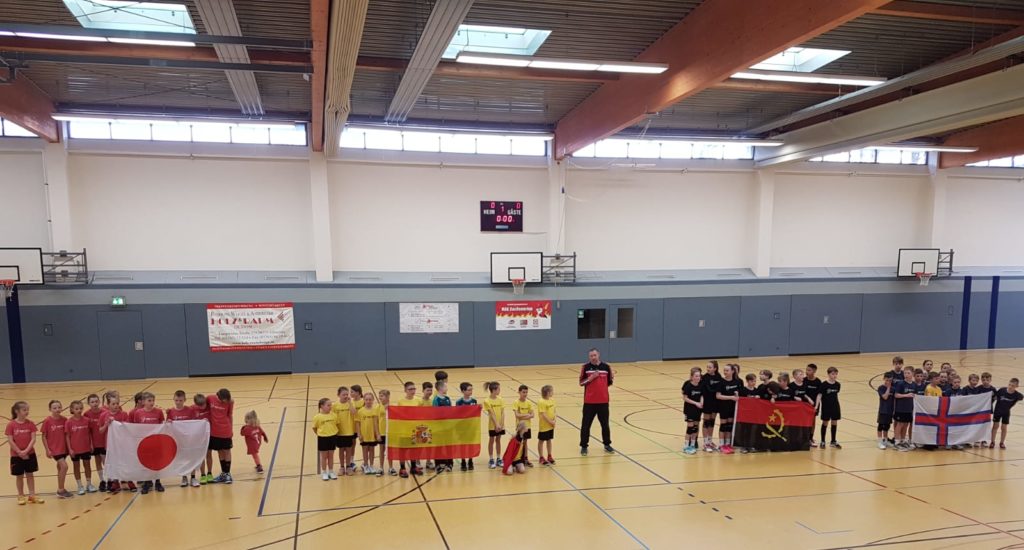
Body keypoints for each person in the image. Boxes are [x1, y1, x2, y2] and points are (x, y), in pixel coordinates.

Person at [6, 401, 43, 505]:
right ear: (17, 411)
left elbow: (33, 439)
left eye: (27, 410)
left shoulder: (30, 423)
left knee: (30, 474)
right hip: (16, 455)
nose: (27, 412)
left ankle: (32, 495)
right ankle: (21, 495)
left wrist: (26, 451)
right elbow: (10, 440)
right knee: (19, 476)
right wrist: (19, 452)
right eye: (24, 410)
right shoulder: (11, 425)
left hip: (30, 454)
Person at [131, 392, 166, 494]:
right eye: (149, 401)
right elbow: (136, 427)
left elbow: (162, 425)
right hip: (144, 443)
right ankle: (147, 482)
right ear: (143, 402)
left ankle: (158, 482)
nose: (152, 402)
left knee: (157, 462)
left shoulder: (159, 412)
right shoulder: (138, 413)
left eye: (153, 400)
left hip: (156, 442)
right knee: (146, 462)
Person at [99, 395, 132, 493]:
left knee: (124, 462)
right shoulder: (103, 415)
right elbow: (100, 431)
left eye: (117, 403)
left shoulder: (124, 414)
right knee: (114, 463)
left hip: (122, 444)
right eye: (113, 404)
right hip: (111, 444)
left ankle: (128, 480)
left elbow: (128, 428)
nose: (116, 405)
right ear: (108, 405)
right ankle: (115, 482)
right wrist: (107, 424)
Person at [42, 400, 73, 499]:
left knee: (60, 468)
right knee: (64, 466)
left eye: (59, 407)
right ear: (50, 409)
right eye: (54, 408)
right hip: (54, 449)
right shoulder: (47, 421)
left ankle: (60, 487)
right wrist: (47, 450)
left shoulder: (65, 420)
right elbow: (44, 436)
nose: (57, 409)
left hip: (64, 448)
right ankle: (60, 490)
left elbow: (68, 434)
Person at [167, 390, 198, 487]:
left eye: (180, 400)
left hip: (189, 439)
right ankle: (184, 477)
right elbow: (168, 425)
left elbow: (195, 423)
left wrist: (202, 422)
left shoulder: (190, 410)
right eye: (176, 400)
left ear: (185, 400)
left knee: (191, 458)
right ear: (173, 399)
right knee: (182, 459)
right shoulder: (171, 411)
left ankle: (193, 477)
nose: (178, 402)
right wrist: (168, 422)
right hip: (178, 440)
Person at [65, 400, 95, 495]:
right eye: (76, 409)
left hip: (86, 448)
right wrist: (70, 449)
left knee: (87, 465)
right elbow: (67, 436)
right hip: (75, 449)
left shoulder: (86, 420)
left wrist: (91, 444)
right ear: (72, 410)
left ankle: (89, 484)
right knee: (76, 466)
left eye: (81, 408)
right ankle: (79, 485)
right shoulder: (69, 422)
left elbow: (90, 433)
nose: (79, 410)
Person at [207, 388, 235, 484]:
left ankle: (228, 474)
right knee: (220, 451)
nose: (225, 402)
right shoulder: (210, 398)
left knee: (227, 451)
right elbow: (200, 406)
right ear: (218, 397)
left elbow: (230, 415)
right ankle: (223, 473)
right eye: (223, 401)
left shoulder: (230, 402)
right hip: (214, 431)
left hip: (225, 430)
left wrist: (231, 429)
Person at [396, 381, 423, 478]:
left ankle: (413, 467)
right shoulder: (401, 401)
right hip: (404, 429)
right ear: (405, 390)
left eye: (414, 389)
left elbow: (421, 414)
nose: (412, 391)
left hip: (414, 429)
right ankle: (402, 468)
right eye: (410, 389)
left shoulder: (419, 401)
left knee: (414, 449)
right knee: (403, 450)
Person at [715, 364, 742, 455]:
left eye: (727, 370)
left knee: (729, 426)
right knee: (723, 425)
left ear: (732, 371)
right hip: (723, 407)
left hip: (732, 407)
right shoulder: (721, 382)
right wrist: (731, 397)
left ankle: (727, 443)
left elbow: (740, 394)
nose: (725, 372)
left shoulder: (737, 382)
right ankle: (721, 445)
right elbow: (718, 396)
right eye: (724, 370)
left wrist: (737, 395)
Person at [332, 386, 357, 477]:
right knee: (341, 450)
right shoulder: (335, 405)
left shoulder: (351, 403)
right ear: (338, 395)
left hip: (349, 431)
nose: (346, 396)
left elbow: (354, 412)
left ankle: (349, 466)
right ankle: (342, 467)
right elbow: (333, 418)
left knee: (349, 450)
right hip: (339, 432)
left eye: (347, 394)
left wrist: (350, 403)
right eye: (343, 394)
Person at [84, 394, 106, 492]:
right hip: (95, 443)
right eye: (92, 402)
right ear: (89, 403)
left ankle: (109, 479)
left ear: (99, 402)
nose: (95, 404)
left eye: (96, 401)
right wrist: (90, 443)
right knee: (98, 461)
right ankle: (102, 480)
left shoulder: (104, 412)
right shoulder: (86, 414)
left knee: (106, 461)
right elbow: (87, 431)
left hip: (104, 441)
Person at [312, 398, 339, 481]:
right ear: (322, 406)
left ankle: (331, 471)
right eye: (328, 405)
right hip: (323, 438)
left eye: (331, 405)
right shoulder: (317, 417)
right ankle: (324, 472)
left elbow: (336, 424)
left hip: (332, 437)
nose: (330, 407)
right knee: (324, 456)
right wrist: (320, 434)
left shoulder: (334, 415)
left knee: (331, 455)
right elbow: (314, 428)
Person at [991, 378, 1022, 449]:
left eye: (1013, 386)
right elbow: (995, 397)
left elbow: (1020, 398)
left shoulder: (1017, 395)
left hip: (1006, 413)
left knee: (1004, 427)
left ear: (1017, 386)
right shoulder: (1002, 390)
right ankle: (992, 442)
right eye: (1009, 385)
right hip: (997, 411)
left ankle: (1002, 442)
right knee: (995, 426)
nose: (1010, 387)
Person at [700, 360, 722, 452]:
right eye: (707, 367)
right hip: (707, 402)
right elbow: (706, 389)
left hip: (715, 403)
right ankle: (705, 443)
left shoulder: (718, 376)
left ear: (715, 368)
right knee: (706, 422)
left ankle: (710, 440)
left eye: (710, 367)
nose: (708, 369)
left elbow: (720, 388)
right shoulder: (705, 377)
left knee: (712, 422)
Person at [483, 381, 506, 469]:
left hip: (500, 425)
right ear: (493, 390)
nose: (500, 390)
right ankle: (491, 459)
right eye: (498, 389)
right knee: (491, 440)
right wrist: (496, 425)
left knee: (498, 440)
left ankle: (499, 458)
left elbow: (503, 413)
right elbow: (491, 413)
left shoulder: (501, 399)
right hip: (492, 425)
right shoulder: (487, 401)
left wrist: (501, 424)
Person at [431, 382, 453, 473]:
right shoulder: (436, 400)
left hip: (448, 427)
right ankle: (438, 463)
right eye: (445, 387)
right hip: (439, 427)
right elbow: (435, 413)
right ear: (440, 388)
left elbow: (451, 411)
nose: (447, 388)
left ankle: (449, 463)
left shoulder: (448, 399)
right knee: (439, 446)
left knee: (448, 445)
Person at [357, 393, 381, 475]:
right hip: (364, 435)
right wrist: (359, 434)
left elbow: (376, 423)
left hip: (372, 435)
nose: (368, 401)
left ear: (373, 400)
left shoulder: (375, 410)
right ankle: (365, 465)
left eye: (370, 399)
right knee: (365, 450)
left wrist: (377, 434)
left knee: (371, 450)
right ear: (364, 400)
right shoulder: (360, 411)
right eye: (366, 399)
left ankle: (371, 465)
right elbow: (358, 424)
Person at [681, 367, 703, 455]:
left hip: (698, 410)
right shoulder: (688, 386)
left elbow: (702, 395)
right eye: (696, 376)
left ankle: (693, 445)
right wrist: (695, 403)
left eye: (699, 376)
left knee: (695, 428)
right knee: (690, 428)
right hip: (689, 409)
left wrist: (701, 402)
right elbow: (685, 398)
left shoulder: (700, 385)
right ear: (692, 377)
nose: (698, 378)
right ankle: (686, 446)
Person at [192, 393, 213, 484]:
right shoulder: (192, 409)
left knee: (209, 454)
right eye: (200, 406)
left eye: (203, 404)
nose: (202, 407)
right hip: (199, 437)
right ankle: (203, 474)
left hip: (209, 435)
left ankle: (209, 473)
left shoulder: (209, 406)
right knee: (202, 456)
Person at [893, 369, 916, 451]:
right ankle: (897, 441)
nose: (906, 374)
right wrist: (906, 395)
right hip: (901, 408)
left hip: (909, 408)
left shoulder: (914, 384)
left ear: (912, 374)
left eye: (908, 373)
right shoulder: (900, 383)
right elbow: (896, 395)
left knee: (906, 424)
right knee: (900, 424)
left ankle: (902, 440)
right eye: (905, 373)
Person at [455, 383, 477, 471]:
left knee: (471, 444)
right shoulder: (459, 402)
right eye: (469, 390)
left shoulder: (474, 401)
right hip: (462, 428)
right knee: (463, 445)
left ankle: (470, 460)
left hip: (471, 427)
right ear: (463, 391)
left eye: (472, 389)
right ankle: (463, 461)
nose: (471, 391)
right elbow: (457, 414)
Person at [819, 367, 842, 449]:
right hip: (826, 407)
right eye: (833, 374)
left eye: (836, 374)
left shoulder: (837, 384)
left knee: (834, 422)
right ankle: (822, 441)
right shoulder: (824, 384)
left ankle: (833, 441)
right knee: (825, 422)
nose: (834, 376)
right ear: (828, 374)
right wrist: (817, 405)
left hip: (835, 406)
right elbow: (820, 395)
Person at [512, 385, 535, 467]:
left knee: (525, 442)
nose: (525, 394)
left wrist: (524, 416)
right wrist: (527, 415)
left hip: (527, 427)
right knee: (519, 442)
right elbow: (517, 415)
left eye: (526, 392)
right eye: (523, 392)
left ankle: (525, 459)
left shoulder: (529, 403)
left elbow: (533, 415)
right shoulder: (516, 402)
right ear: (519, 392)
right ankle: (517, 459)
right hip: (520, 427)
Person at [537, 385, 556, 465]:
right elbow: (543, 414)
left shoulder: (552, 400)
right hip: (544, 425)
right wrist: (550, 422)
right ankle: (541, 457)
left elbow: (554, 411)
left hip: (550, 425)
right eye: (552, 391)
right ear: (548, 392)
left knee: (549, 440)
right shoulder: (541, 401)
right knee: (541, 441)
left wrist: (554, 420)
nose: (553, 392)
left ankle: (549, 455)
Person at [804, 364, 823, 446]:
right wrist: (808, 399)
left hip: (814, 405)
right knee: (805, 421)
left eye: (809, 370)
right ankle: (805, 438)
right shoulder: (804, 380)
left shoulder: (818, 381)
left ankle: (810, 438)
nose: (807, 372)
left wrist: (816, 405)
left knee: (812, 421)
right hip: (804, 404)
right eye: (806, 370)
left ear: (814, 371)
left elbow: (819, 394)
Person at [877, 372, 895, 450]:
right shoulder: (881, 388)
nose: (888, 382)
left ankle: (885, 440)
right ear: (884, 379)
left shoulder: (893, 389)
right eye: (887, 380)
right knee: (881, 425)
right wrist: (888, 388)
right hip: (883, 410)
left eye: (890, 380)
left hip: (890, 410)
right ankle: (879, 441)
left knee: (887, 426)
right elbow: (885, 397)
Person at [378, 389, 393, 475]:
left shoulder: (392, 407)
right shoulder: (378, 407)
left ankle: (391, 467)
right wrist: (377, 433)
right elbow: (376, 420)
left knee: (389, 450)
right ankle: (381, 467)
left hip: (389, 432)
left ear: (387, 397)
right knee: (381, 450)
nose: (380, 398)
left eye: (382, 396)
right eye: (379, 396)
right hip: (382, 432)